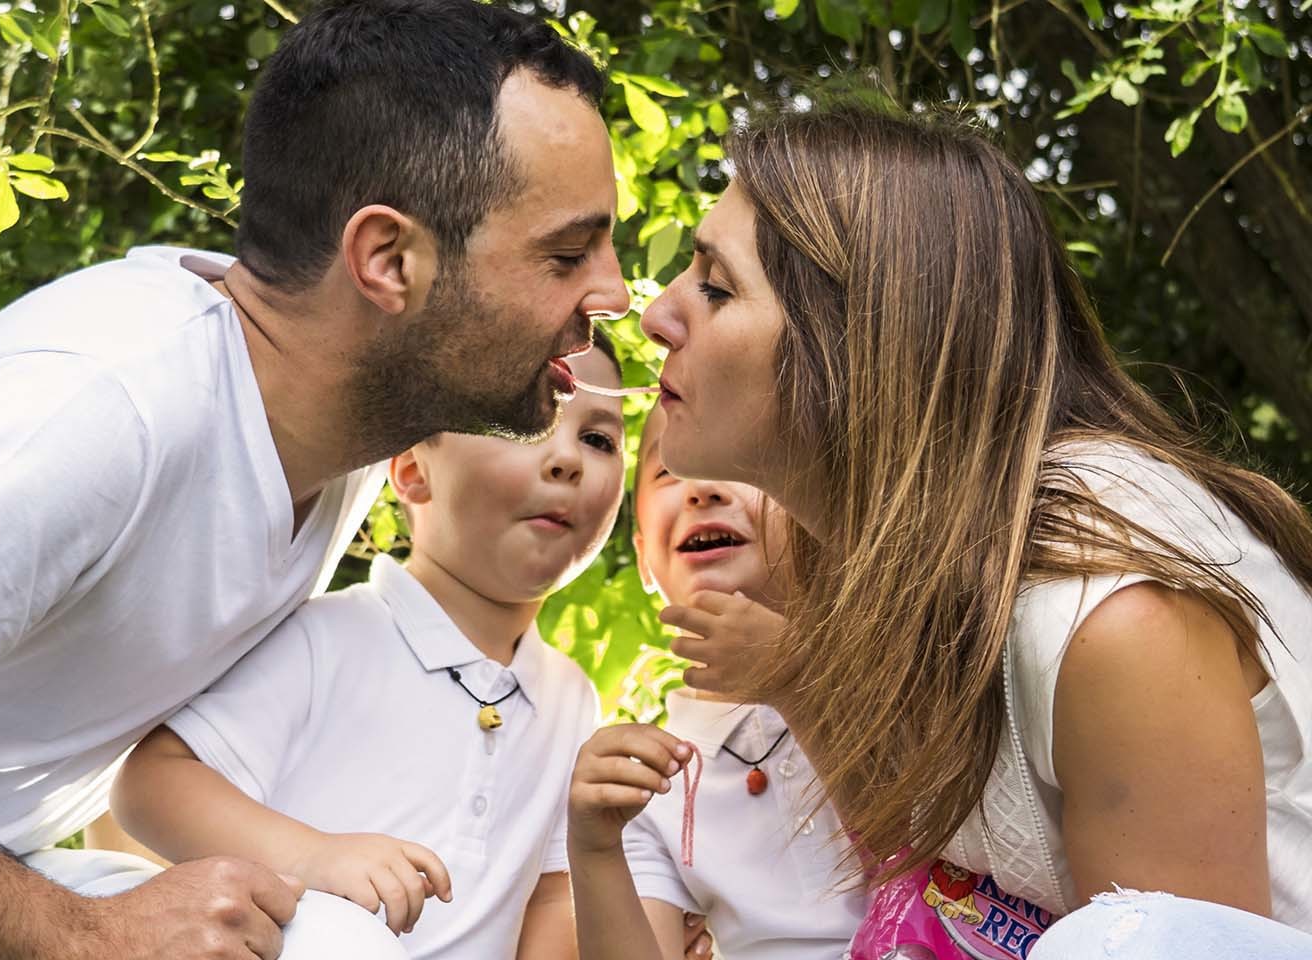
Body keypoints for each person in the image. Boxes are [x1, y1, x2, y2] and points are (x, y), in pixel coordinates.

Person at [0, 0, 627, 956]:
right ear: (388, 262)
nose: (613, 294)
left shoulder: (339, 417)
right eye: (566, 254)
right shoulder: (106, 404)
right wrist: (85, 938)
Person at [636, 103, 1312, 956]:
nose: (656, 315)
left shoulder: (1110, 621)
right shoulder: (869, 560)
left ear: (861, 340)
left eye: (716, 286)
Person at [111, 337, 627, 959]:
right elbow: (149, 787)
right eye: (524, 425)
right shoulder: (325, 636)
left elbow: (545, 896)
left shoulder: (573, 702)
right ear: (412, 472)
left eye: (598, 439)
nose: (567, 459)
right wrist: (313, 855)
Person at [566, 403, 867, 959]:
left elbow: (933, 854)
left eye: (742, 464)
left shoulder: (894, 680)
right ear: (643, 557)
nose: (702, 490)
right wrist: (596, 849)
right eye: (668, 472)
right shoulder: (654, 785)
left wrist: (795, 680)